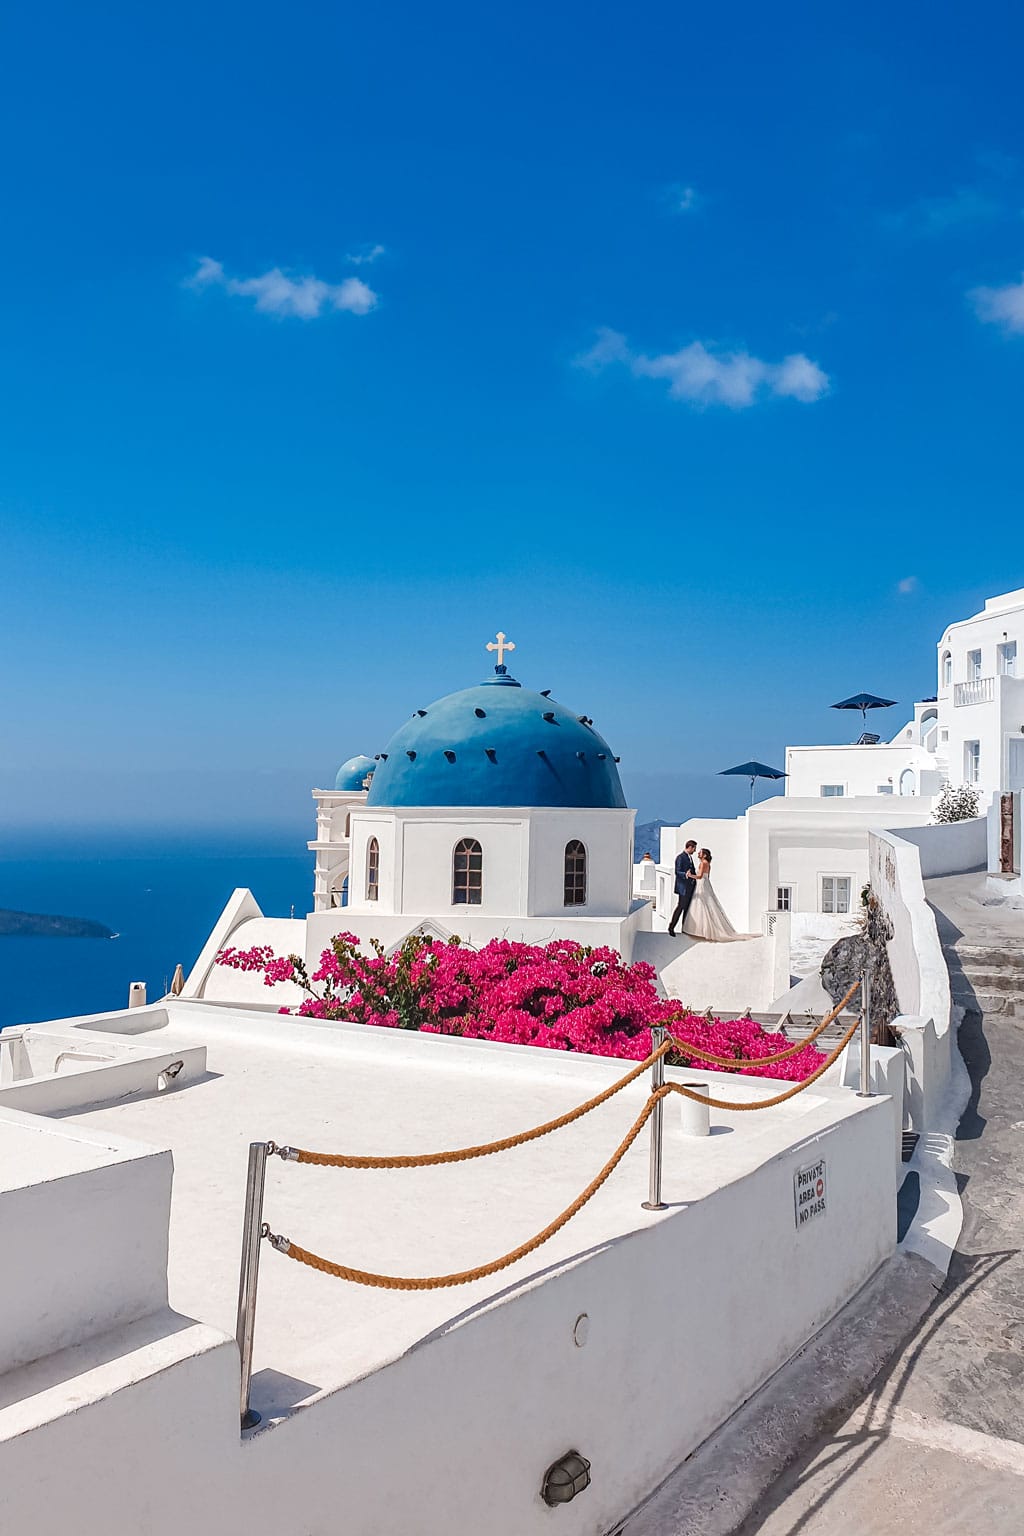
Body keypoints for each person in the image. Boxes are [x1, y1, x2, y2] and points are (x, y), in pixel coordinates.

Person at [683, 848, 748, 942]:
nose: (698, 853)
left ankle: (702, 930)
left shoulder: (703, 863)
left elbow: (700, 876)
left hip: (702, 883)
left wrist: (689, 875)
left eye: (700, 852)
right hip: (705, 883)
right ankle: (703, 930)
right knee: (705, 904)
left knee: (702, 904)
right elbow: (706, 876)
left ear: (704, 855)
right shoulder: (707, 863)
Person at [667, 840, 698, 936]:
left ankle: (684, 929)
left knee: (687, 908)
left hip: (690, 887)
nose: (694, 851)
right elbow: (677, 871)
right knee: (680, 906)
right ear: (690, 847)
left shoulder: (689, 858)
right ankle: (671, 927)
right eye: (694, 848)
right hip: (683, 888)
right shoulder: (680, 857)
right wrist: (685, 874)